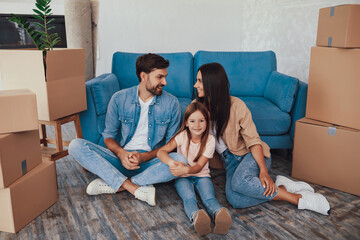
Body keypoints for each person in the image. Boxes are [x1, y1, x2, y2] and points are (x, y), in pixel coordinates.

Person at [193, 62, 331, 215]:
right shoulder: (196, 107)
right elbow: (187, 136)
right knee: (235, 200)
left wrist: (263, 171)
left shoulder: (237, 106)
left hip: (250, 155)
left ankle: (298, 199)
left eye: (199, 81)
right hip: (230, 163)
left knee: (239, 183)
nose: (195, 85)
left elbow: (253, 141)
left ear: (212, 83)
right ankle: (283, 187)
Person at [68, 53, 185, 206]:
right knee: (75, 145)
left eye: (165, 77)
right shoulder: (119, 98)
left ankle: (115, 183)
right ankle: (134, 187)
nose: (165, 82)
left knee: (180, 161)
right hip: (120, 160)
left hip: (151, 163)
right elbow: (108, 137)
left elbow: (171, 145)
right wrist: (122, 154)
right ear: (144, 76)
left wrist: (143, 158)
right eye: (160, 77)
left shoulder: (171, 103)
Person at [157, 102, 232, 236]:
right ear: (186, 122)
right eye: (192, 121)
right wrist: (171, 162)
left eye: (201, 121)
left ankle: (219, 213)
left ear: (207, 122)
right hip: (182, 178)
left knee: (209, 198)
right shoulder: (182, 136)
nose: (197, 125)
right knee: (189, 198)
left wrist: (185, 170)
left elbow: (199, 166)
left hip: (201, 175)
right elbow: (161, 152)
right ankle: (197, 216)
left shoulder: (209, 140)